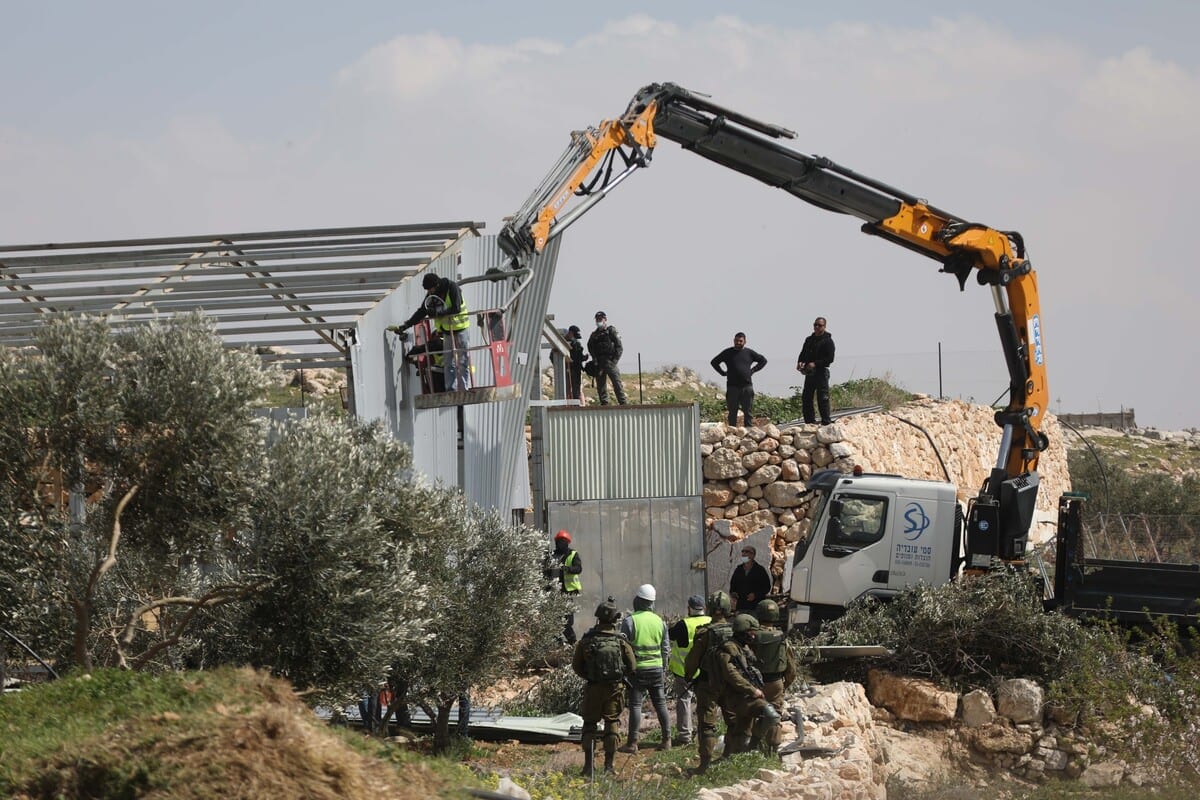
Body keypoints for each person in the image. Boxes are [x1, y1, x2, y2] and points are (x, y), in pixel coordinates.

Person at [572, 598, 638, 777]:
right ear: (615, 619)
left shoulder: (587, 640)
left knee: (589, 725)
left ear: (598, 617)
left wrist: (590, 676)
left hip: (593, 689)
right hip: (614, 689)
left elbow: (576, 666)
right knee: (611, 724)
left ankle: (588, 767)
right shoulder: (620, 640)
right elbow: (632, 666)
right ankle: (609, 767)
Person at [714, 614, 780, 758]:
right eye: (751, 632)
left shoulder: (743, 647)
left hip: (746, 695)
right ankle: (754, 746)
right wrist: (752, 690)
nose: (754, 636)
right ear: (742, 631)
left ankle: (738, 755)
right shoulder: (728, 649)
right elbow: (731, 674)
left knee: (742, 730)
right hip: (735, 696)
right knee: (770, 714)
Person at [393, 272, 472, 392]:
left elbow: (456, 308)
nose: (429, 292)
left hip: (461, 329)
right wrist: (406, 325)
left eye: (430, 289)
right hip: (447, 332)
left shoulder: (452, 287)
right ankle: (451, 389)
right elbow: (422, 311)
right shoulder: (432, 295)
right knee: (448, 362)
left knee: (463, 361)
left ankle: (463, 389)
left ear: (437, 285)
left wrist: (438, 313)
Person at [682, 591, 732, 776]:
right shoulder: (736, 631)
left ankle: (704, 765)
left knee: (707, 725)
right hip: (731, 683)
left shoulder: (705, 633)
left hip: (708, 683)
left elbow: (693, 660)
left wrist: (688, 675)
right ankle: (730, 756)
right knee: (733, 721)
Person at [618, 583, 672, 753]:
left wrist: (625, 669)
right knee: (661, 703)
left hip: (637, 670)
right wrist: (663, 668)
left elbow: (622, 648)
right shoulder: (660, 622)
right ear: (652, 603)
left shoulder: (630, 621)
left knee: (635, 705)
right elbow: (665, 649)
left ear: (638, 600)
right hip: (656, 669)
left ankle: (632, 743)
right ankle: (667, 740)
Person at [751, 600, 797, 753]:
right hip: (776, 682)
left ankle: (753, 744)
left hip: (754, 683)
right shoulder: (781, 637)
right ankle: (772, 749)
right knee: (775, 713)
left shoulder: (752, 636)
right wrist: (784, 685)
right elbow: (791, 668)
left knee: (753, 712)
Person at [667, 594, 711, 746]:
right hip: (706, 671)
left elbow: (669, 635)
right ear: (704, 608)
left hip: (684, 671)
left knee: (684, 700)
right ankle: (705, 733)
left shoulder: (683, 625)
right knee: (705, 702)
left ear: (689, 608)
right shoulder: (711, 622)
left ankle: (685, 735)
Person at [710, 331, 768, 427]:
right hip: (732, 387)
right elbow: (714, 362)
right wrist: (722, 373)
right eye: (736, 340)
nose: (738, 342)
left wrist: (753, 370)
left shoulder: (749, 352)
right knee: (732, 411)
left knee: (748, 411)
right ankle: (732, 430)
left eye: (740, 341)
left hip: (747, 386)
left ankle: (748, 430)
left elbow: (763, 360)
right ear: (733, 340)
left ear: (745, 342)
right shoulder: (728, 352)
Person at [543, 529, 583, 644]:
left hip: (566, 591)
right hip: (553, 592)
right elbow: (545, 571)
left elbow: (578, 568)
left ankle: (572, 641)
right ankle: (557, 641)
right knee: (553, 617)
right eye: (558, 541)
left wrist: (568, 569)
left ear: (567, 542)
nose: (559, 543)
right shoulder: (551, 555)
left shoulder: (572, 554)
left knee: (567, 620)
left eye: (562, 541)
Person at [795, 316, 835, 425]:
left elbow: (830, 359)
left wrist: (815, 363)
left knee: (823, 398)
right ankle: (809, 421)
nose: (817, 327)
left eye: (819, 325)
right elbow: (803, 353)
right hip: (810, 373)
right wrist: (800, 362)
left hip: (821, 372)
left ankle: (826, 421)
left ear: (824, 327)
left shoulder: (828, 341)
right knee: (806, 397)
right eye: (815, 325)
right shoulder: (809, 340)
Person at [587, 311, 627, 405]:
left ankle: (623, 403)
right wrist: (594, 358)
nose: (598, 321)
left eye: (600, 319)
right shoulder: (594, 334)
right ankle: (604, 404)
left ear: (605, 319)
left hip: (610, 361)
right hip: (599, 362)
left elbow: (619, 347)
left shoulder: (611, 331)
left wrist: (614, 361)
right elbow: (590, 346)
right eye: (597, 319)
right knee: (601, 386)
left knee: (617, 383)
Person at [729, 544, 772, 614]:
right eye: (743, 551)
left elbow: (767, 587)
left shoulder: (760, 570)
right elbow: (733, 585)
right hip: (741, 607)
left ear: (753, 555)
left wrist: (755, 595)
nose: (744, 553)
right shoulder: (738, 569)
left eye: (747, 552)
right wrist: (733, 593)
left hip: (755, 607)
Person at [404, 330, 446, 394]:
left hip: (442, 376)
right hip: (453, 376)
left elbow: (420, 349)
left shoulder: (438, 342)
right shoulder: (451, 343)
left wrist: (408, 356)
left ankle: (433, 390)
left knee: (429, 369)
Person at [566, 324, 587, 401]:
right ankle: (574, 404)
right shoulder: (573, 343)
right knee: (574, 390)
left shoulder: (564, 343)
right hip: (572, 369)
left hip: (572, 369)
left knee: (573, 390)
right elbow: (578, 357)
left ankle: (574, 403)